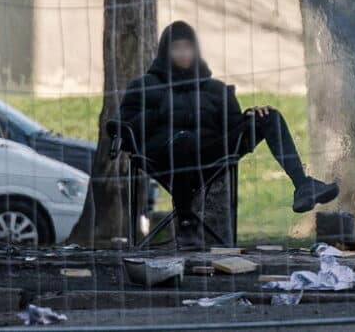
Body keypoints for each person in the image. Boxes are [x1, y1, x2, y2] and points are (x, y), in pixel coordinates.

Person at [119, 20, 339, 249]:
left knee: (269, 116)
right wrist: (162, 114)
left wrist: (249, 117)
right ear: (165, 52)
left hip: (210, 153)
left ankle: (303, 186)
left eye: (188, 47)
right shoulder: (145, 86)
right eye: (176, 48)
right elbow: (127, 125)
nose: (183, 53)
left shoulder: (214, 89)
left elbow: (231, 125)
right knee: (183, 139)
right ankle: (186, 225)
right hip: (163, 155)